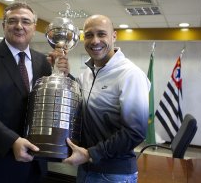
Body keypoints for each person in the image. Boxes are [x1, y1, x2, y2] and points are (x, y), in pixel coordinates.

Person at [0, 2, 66, 183]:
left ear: (34, 28)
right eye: (13, 21)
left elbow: (53, 101)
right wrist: (12, 141)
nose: (19, 26)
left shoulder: (43, 62)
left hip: (34, 162)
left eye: (26, 21)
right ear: (4, 26)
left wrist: (63, 73)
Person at [50, 14, 150, 182]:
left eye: (101, 34)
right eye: (89, 35)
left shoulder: (130, 74)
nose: (95, 41)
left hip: (113, 174)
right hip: (86, 167)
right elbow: (82, 106)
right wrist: (65, 75)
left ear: (114, 36)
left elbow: (135, 132)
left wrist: (91, 154)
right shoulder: (87, 74)